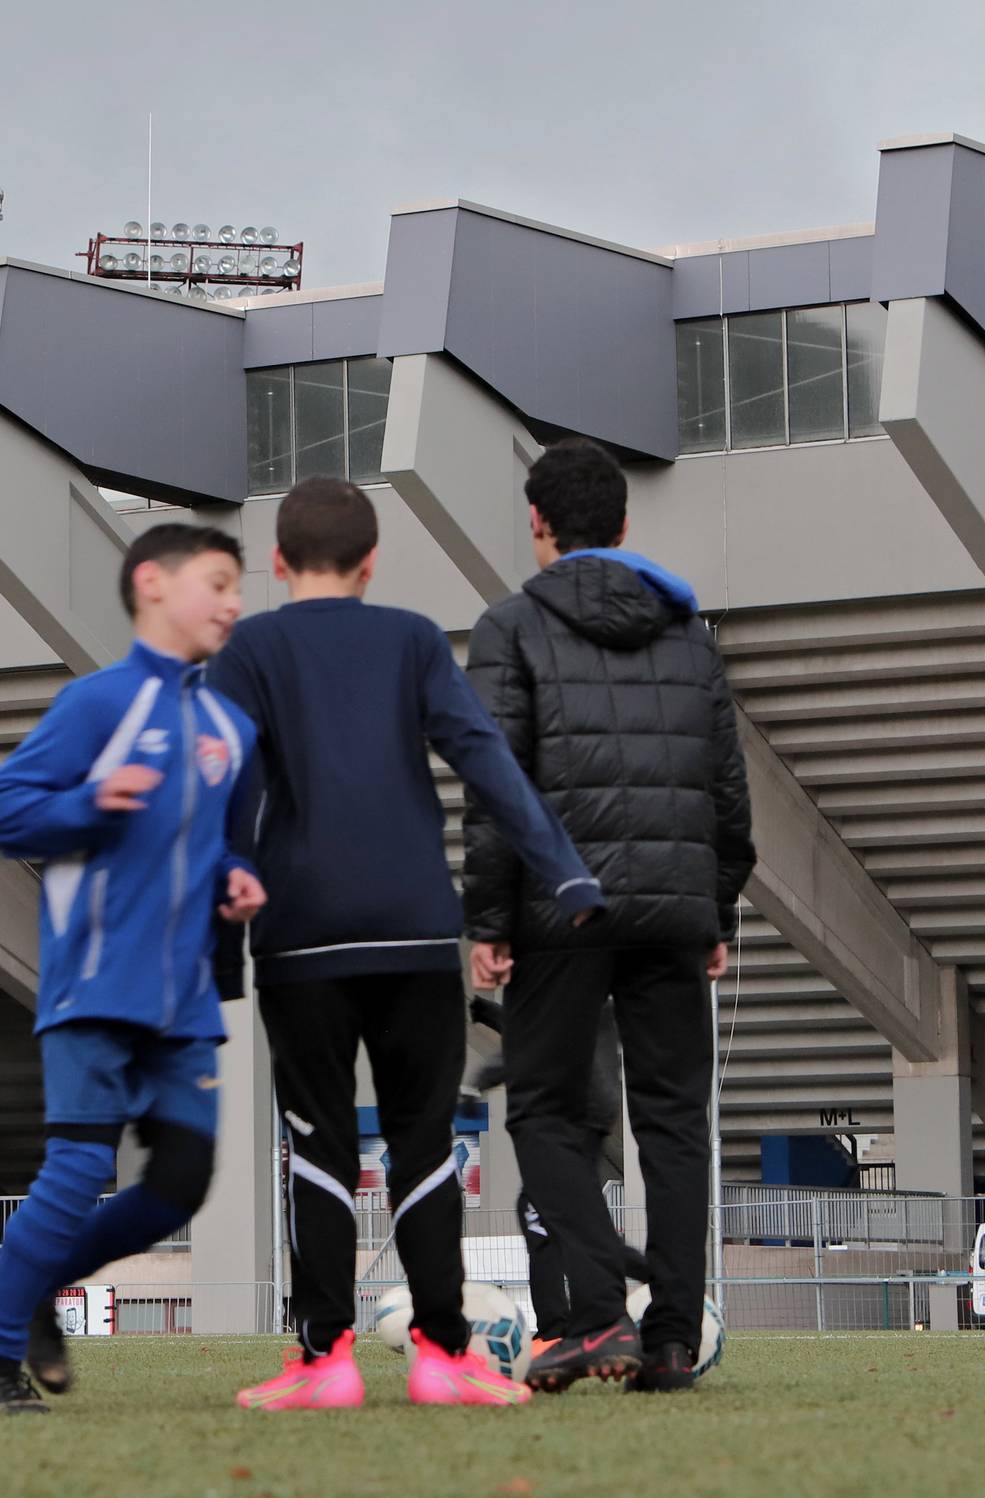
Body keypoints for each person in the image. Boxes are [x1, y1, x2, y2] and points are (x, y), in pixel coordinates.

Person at [202, 479, 601, 1412]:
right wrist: (566, 871)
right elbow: (484, 759)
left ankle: (326, 1361)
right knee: (424, 1140)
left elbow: (220, 785)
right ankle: (441, 1356)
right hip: (419, 928)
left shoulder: (250, 647)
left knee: (318, 1144)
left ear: (277, 563)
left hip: (301, 936)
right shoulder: (414, 638)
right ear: (372, 563)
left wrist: (225, 908)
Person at [0, 523, 266, 1417]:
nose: (233, 603)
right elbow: (0, 808)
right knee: (79, 1168)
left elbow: (207, 851)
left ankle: (38, 1289)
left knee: (181, 1184)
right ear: (152, 585)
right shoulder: (98, 704)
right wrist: (88, 801)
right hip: (94, 982)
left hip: (185, 997)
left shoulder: (230, 728)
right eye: (217, 583)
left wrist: (233, 880)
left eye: (239, 587)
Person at [463, 437, 755, 1394]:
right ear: (625, 525)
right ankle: (671, 1339)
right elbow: (724, 788)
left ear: (539, 526)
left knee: (544, 1108)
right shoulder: (688, 634)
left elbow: (497, 785)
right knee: (672, 1124)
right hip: (674, 912)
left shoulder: (509, 627)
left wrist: (489, 915)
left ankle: (595, 1315)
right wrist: (717, 912)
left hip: (563, 911)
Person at [467, 994, 650, 1350]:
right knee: (577, 1225)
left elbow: (540, 1036)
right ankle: (652, 1290)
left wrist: (488, 1075)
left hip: (568, 1115)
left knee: (541, 1216)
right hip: (590, 1109)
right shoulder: (589, 982)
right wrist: (491, 1016)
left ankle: (557, 1329)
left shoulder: (556, 972)